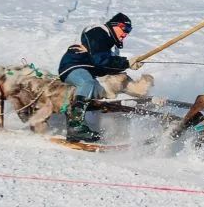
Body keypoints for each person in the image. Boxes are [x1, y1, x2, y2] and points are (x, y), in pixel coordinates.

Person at [58, 13, 143, 142]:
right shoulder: (98, 33)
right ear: (114, 25)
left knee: (106, 88)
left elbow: (106, 67)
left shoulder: (109, 45)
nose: (126, 33)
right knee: (88, 84)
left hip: (89, 70)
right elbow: (100, 60)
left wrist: (127, 65)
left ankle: (108, 128)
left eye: (129, 31)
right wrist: (126, 63)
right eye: (125, 29)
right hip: (74, 66)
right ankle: (75, 127)